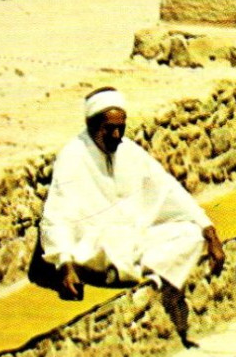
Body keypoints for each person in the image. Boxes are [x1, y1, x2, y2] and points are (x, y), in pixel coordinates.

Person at [38, 89, 226, 307]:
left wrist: (209, 231)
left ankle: (126, 270)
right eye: (110, 129)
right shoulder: (73, 155)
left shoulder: (128, 150)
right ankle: (122, 270)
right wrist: (64, 264)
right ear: (92, 125)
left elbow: (168, 189)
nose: (117, 135)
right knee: (106, 247)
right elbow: (57, 215)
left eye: (121, 128)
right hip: (95, 248)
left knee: (191, 235)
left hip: (132, 240)